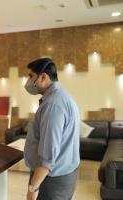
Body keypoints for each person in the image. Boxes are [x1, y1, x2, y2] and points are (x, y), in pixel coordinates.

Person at [23, 58, 80, 200]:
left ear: (43, 77)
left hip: (51, 180)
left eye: (31, 76)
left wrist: (33, 188)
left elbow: (48, 155)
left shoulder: (53, 105)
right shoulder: (62, 96)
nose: (28, 81)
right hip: (65, 174)